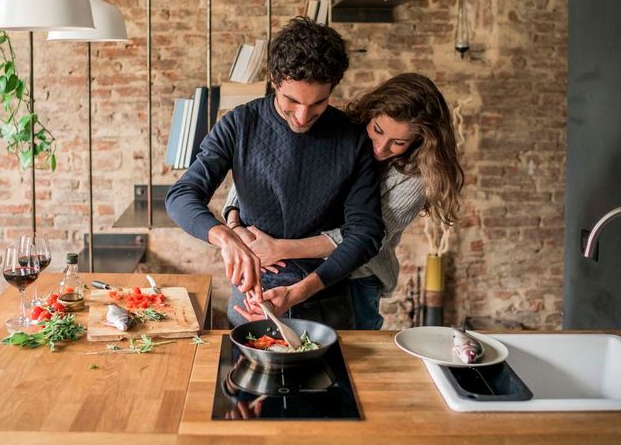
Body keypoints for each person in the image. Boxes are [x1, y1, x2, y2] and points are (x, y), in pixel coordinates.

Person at [166, 17, 385, 329]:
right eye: (291, 101)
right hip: (253, 298)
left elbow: (366, 233)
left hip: (327, 298)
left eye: (318, 103)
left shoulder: (352, 138)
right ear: (274, 79)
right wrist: (226, 237)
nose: (302, 116)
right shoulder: (239, 124)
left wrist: (298, 293)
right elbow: (181, 196)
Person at [224, 73, 464, 329]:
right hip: (294, 264)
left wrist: (279, 248)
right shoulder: (340, 133)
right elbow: (260, 173)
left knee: (350, 356)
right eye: (377, 130)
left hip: (357, 278)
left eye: (398, 142)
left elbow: (362, 238)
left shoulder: (414, 180)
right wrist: (234, 224)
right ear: (370, 114)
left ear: (420, 141)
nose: (381, 147)